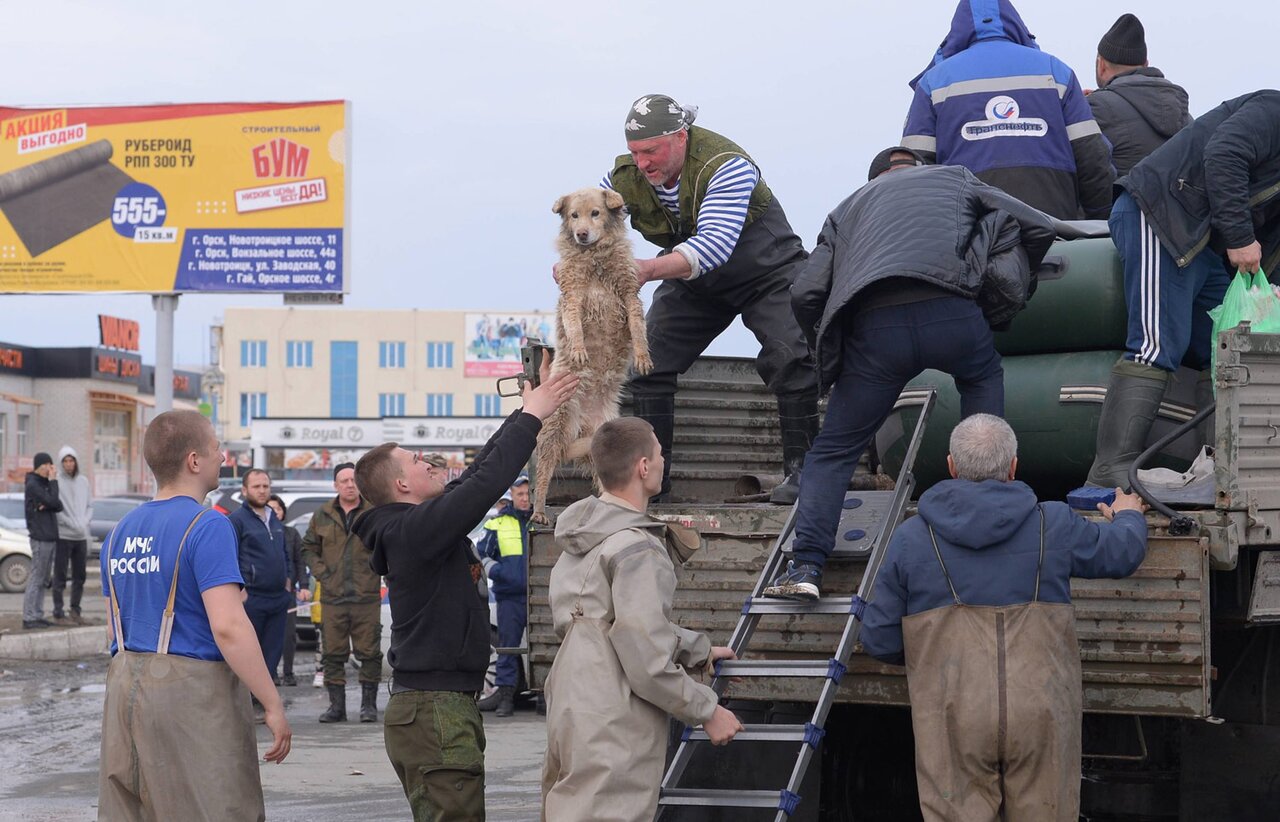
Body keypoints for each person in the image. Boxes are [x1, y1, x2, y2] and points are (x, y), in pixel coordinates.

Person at [763, 148, 1056, 600]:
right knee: (983, 404)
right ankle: (993, 533)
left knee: (833, 452)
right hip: (953, 312)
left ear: (873, 179)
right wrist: (1009, 294)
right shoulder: (956, 178)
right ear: (921, 171)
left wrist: (831, 351)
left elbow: (805, 291)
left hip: (876, 330)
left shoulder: (848, 207)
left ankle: (806, 567)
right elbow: (1038, 225)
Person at [859, 414, 1148, 820]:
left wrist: (937, 658)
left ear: (951, 467)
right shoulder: (1053, 522)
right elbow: (1122, 553)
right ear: (1013, 467)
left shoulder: (910, 538)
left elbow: (879, 639)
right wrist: (1129, 514)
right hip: (1041, 713)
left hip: (952, 714)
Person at [352, 369, 578, 822]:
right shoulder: (412, 531)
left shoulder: (416, 526)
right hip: (435, 710)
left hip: (437, 707)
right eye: (417, 460)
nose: (429, 463)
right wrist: (533, 417)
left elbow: (474, 475)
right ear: (401, 485)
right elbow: (482, 488)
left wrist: (522, 414)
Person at [603, 93, 820, 504]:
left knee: (792, 355)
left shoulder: (726, 165)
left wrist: (647, 269)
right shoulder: (626, 177)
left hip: (768, 272)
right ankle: (653, 486)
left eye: (652, 150)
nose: (643, 162)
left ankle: (804, 475)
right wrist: (577, 260)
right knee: (649, 362)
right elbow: (593, 213)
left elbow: (714, 246)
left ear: (681, 137)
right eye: (635, 152)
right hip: (696, 283)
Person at [541, 416, 743, 821]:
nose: (664, 459)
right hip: (614, 712)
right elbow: (643, 655)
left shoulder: (580, 539)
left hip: (570, 699)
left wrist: (696, 649)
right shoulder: (638, 548)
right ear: (643, 467)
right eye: (660, 452)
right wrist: (707, 710)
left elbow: (605, 623)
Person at [97, 410, 290, 821]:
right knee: (215, 806)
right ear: (194, 460)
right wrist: (271, 703)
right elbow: (229, 625)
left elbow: (117, 623)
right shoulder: (208, 526)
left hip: (123, 687)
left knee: (132, 809)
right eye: (217, 448)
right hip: (191, 695)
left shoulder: (119, 531)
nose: (224, 457)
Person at [1086, 90, 1280, 488]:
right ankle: (1110, 470)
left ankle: (1224, 467)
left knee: (1228, 345)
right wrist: (1241, 237)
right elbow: (1223, 154)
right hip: (1162, 215)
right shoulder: (1272, 110)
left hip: (1206, 244)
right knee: (1156, 345)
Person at [902, 0, 1114, 220]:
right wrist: (1096, 218)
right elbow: (1092, 156)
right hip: (1054, 229)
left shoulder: (933, 83)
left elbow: (913, 173)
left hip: (969, 232)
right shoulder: (1056, 72)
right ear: (1015, 23)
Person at [301, 462, 379, 722]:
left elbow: (386, 544)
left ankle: (368, 706)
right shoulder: (322, 514)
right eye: (344, 480)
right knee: (332, 653)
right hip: (333, 598)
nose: (349, 484)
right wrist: (323, 573)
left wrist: (375, 569)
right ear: (335, 485)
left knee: (369, 652)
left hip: (365, 596)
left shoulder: (373, 512)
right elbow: (308, 548)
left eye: (353, 480)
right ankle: (337, 707)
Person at [1086, 13, 1192, 178]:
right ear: (1145, 65)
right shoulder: (1184, 114)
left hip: (1120, 203)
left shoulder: (1096, 108)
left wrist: (1075, 108)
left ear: (1102, 65)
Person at [228, 469, 293, 701]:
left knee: (272, 652)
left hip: (278, 597)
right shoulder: (237, 520)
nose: (262, 490)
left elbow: (286, 553)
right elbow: (229, 556)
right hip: (252, 598)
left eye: (266, 486)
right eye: (257, 486)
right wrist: (240, 590)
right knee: (248, 652)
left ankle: (261, 700)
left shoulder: (273, 517)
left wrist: (288, 581)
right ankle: (244, 699)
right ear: (244, 490)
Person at [476, 473, 532, 717]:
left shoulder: (541, 520)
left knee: (545, 649)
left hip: (540, 595)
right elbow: (480, 554)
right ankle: (506, 698)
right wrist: (497, 571)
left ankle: (544, 698)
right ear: (512, 495)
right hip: (510, 597)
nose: (525, 498)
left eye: (528, 493)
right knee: (508, 649)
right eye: (520, 494)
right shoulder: (497, 523)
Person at [267, 494, 309, 687]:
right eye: (270, 508)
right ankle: (271, 672)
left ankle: (288, 672)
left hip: (288, 592)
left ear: (283, 512)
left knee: (288, 635)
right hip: (266, 592)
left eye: (278, 508)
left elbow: (300, 562)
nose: (274, 512)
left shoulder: (291, 534)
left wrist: (304, 586)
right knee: (268, 635)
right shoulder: (260, 534)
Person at [52, 446, 92, 625]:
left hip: (81, 536)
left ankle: (75, 610)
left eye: (71, 460)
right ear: (61, 464)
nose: (69, 464)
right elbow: (56, 510)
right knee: (60, 575)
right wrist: (70, 523)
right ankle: (58, 613)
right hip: (64, 535)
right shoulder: (57, 482)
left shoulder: (83, 481)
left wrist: (84, 522)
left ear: (76, 462)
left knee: (79, 576)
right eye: (65, 461)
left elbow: (90, 506)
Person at [22, 452, 61, 630]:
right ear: (38, 466)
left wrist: (50, 502)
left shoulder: (44, 484)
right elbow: (53, 500)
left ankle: (38, 614)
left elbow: (58, 505)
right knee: (37, 577)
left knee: (44, 578)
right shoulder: (33, 484)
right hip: (40, 537)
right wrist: (53, 483)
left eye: (50, 464)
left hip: (50, 536)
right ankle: (29, 617)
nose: (49, 468)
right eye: (46, 464)